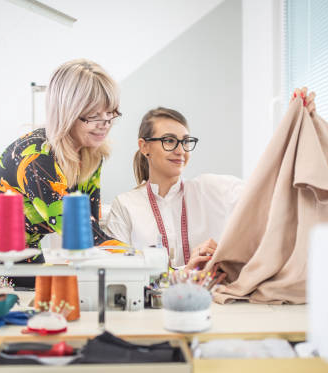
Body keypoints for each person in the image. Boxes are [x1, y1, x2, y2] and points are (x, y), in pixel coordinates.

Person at [0, 59, 123, 307]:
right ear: (67, 111)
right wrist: (143, 259)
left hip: (23, 248)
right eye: (93, 115)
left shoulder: (92, 154)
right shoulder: (37, 159)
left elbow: (90, 225)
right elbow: (79, 235)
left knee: (43, 320)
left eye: (110, 113)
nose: (105, 124)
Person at [104, 88, 316, 271]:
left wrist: (296, 127)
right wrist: (183, 271)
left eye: (186, 142)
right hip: (147, 312)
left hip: (213, 307)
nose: (181, 151)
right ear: (144, 146)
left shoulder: (213, 189)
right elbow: (117, 271)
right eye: (169, 141)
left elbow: (269, 189)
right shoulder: (125, 206)